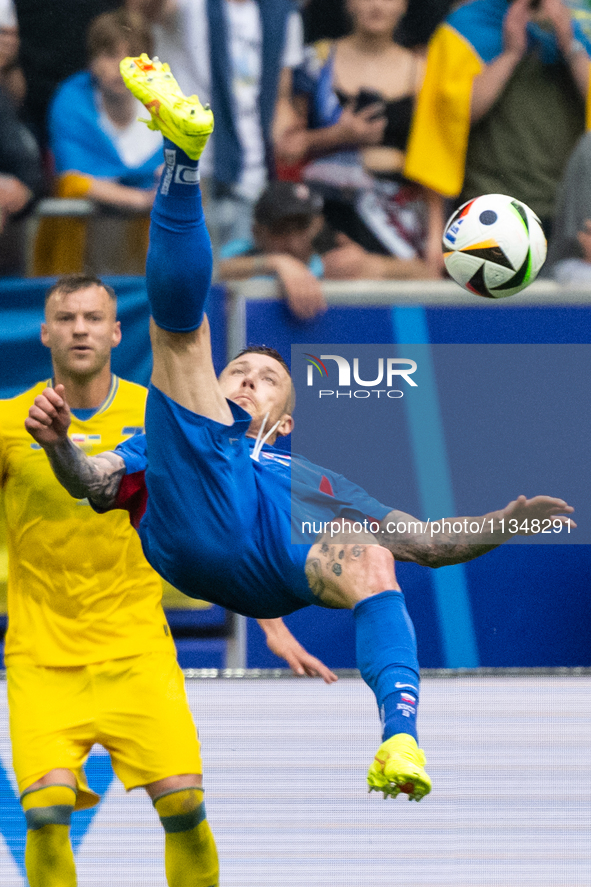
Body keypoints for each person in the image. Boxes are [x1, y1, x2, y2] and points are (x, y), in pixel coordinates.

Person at [27, 55, 575, 805]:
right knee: (179, 337)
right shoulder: (169, 440)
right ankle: (182, 161)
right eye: (239, 374)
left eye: (265, 379)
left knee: (374, 556)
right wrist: (60, 444)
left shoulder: (316, 483)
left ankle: (398, 736)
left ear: (285, 418)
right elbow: (91, 483)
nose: (247, 379)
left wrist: (505, 522)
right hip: (195, 517)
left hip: (274, 562)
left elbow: (429, 542)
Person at [1, 272, 335, 887]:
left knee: (184, 805)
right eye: (67, 318)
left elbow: (228, 527)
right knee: (44, 813)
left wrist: (273, 624)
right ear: (43, 332)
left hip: (137, 650)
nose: (80, 329)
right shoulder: (9, 422)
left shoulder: (163, 415)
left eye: (93, 318)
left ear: (115, 331)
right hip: (40, 655)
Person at [404, 0, 591, 258]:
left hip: (571, 216)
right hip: (489, 212)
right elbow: (443, 125)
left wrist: (571, 46)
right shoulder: (462, 30)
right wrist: (510, 53)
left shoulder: (580, 25)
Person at [275, 0, 441, 273]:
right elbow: (287, 148)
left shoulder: (424, 70)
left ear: (404, 5)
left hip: (396, 214)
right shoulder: (316, 61)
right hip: (326, 210)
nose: (376, 5)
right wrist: (337, 135)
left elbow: (433, 160)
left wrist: (436, 236)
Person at [134, 0, 305, 253]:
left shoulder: (283, 14)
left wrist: (287, 129)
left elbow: (282, 99)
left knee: (235, 281)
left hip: (251, 175)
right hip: (186, 171)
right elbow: (141, 8)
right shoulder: (188, 4)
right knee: (188, 277)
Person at [35, 9, 164, 276]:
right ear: (92, 61)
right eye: (110, 55)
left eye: (132, 57)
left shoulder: (165, 107)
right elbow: (72, 179)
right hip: (77, 256)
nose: (122, 67)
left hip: (141, 262)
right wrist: (140, 199)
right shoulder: (70, 103)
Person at [219, 179, 433, 320]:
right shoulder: (242, 254)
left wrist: (364, 265)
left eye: (301, 227)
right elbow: (211, 271)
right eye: (281, 230)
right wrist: (275, 263)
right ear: (258, 232)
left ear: (316, 225)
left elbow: (424, 273)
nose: (293, 242)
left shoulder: (330, 263)